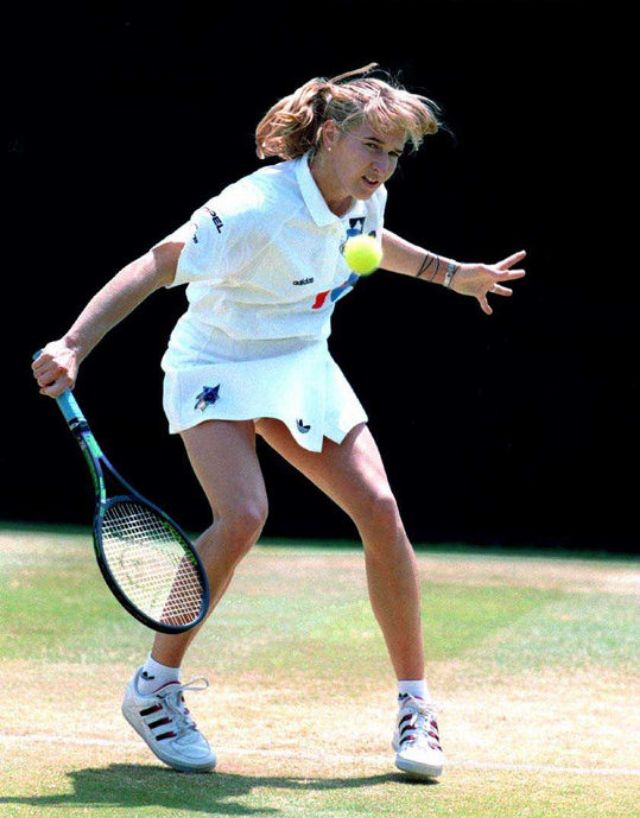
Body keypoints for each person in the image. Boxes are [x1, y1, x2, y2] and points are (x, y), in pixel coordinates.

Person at [32, 63, 526, 779]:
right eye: (372, 148)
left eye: (394, 154)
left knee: (381, 509)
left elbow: (371, 241)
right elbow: (157, 262)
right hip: (217, 365)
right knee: (243, 516)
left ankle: (415, 706)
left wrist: (453, 274)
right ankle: (154, 687)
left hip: (300, 361)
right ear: (329, 136)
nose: (383, 167)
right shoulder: (254, 207)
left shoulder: (365, 194)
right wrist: (75, 344)